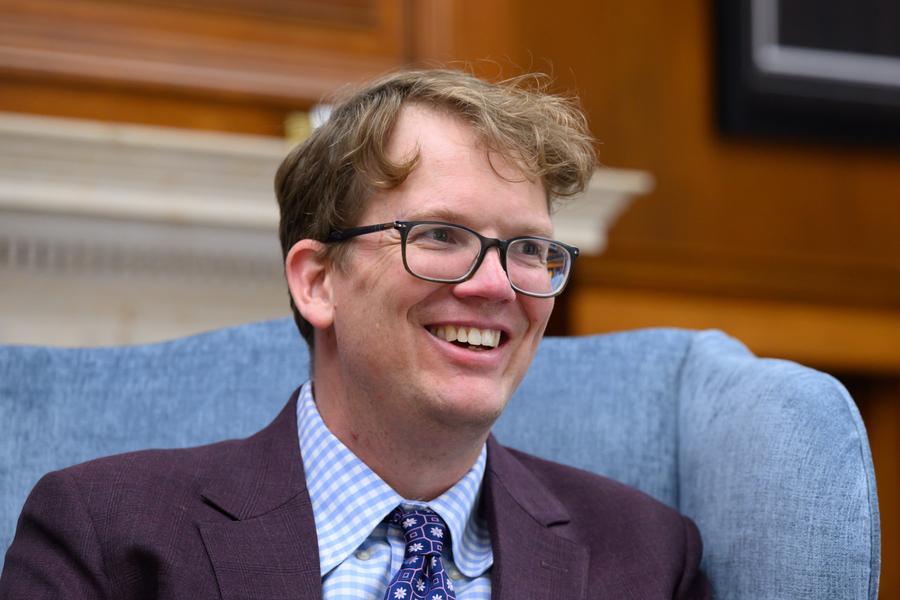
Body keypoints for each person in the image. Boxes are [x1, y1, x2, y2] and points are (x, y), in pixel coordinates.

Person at [0, 69, 711, 599]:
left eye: (529, 249)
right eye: (440, 235)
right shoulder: (106, 534)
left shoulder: (649, 557)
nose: (498, 286)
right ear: (317, 282)